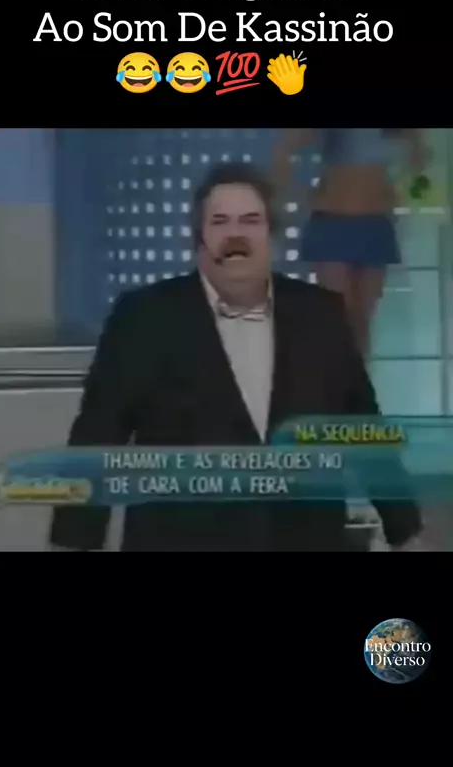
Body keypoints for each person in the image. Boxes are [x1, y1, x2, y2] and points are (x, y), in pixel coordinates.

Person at [49, 162, 422, 552]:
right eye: (220, 221)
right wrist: (73, 542)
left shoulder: (321, 314)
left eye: (250, 220)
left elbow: (361, 428)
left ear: (271, 236)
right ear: (199, 240)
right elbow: (97, 437)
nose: (235, 234)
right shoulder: (144, 316)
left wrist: (405, 532)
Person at [273, 128, 429, 356]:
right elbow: (283, 150)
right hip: (332, 221)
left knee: (363, 318)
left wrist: (406, 195)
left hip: (375, 224)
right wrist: (295, 195)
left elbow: (420, 161)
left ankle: (357, 376)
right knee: (339, 314)